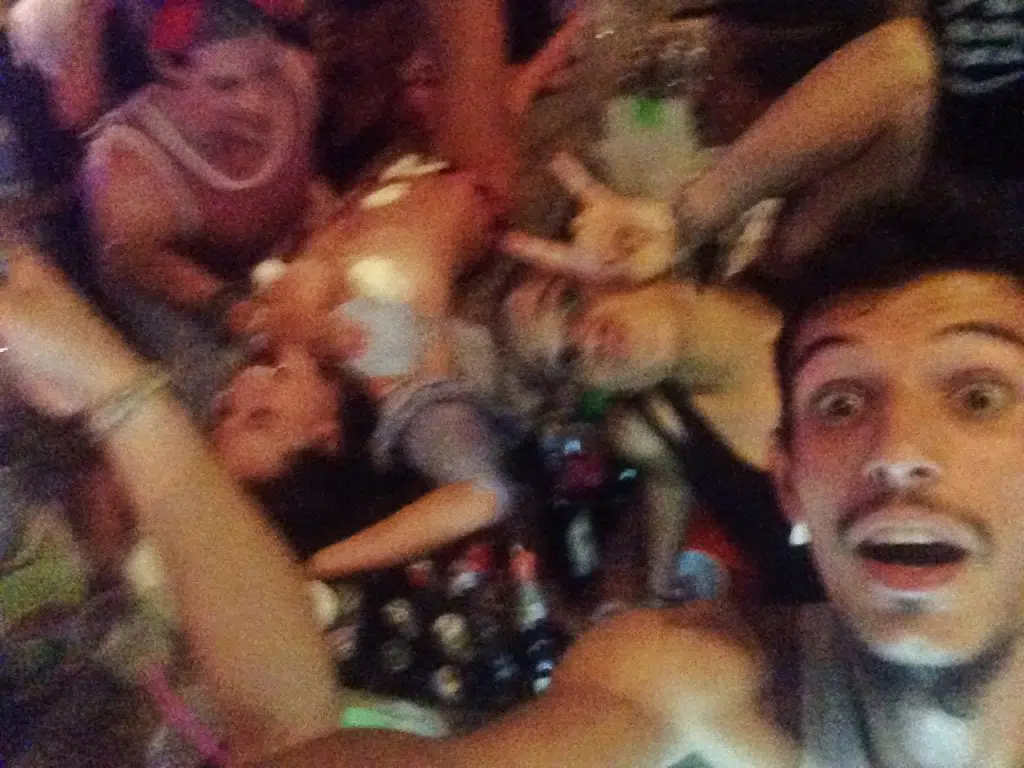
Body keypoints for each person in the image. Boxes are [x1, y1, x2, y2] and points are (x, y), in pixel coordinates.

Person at [204, 193, 1024, 766]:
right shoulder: (715, 677)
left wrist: (688, 214)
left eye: (979, 397)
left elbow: (898, 66)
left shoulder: (783, 278)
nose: (897, 447)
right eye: (842, 404)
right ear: (790, 482)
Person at [505, 0, 1023, 285]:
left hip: (956, 232)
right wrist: (684, 223)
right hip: (875, 168)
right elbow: (902, 58)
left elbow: (904, 64)